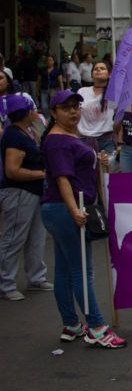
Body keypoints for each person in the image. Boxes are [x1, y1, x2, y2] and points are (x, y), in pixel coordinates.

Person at [40, 90, 126, 348]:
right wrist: (74, 211)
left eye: (76, 107)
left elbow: (74, 170)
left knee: (66, 270)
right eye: (66, 108)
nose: (73, 112)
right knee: (81, 271)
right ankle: (97, 327)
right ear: (54, 113)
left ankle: (71, 323)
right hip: (66, 209)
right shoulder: (57, 141)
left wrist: (96, 162)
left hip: (62, 209)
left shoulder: (67, 137)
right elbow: (61, 178)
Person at [0, 94, 51, 301]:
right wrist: (43, 174)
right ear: (27, 112)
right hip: (18, 192)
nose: (36, 112)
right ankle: (6, 283)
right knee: (13, 238)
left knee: (36, 237)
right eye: (33, 109)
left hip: (33, 192)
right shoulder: (13, 136)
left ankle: (36, 277)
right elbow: (12, 171)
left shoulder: (26, 131)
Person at [77, 62, 116, 155]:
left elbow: (122, 117)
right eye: (96, 69)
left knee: (107, 169)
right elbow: (76, 114)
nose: (99, 70)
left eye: (102, 68)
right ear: (91, 75)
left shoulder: (114, 93)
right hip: (83, 140)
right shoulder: (82, 91)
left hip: (106, 141)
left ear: (109, 74)